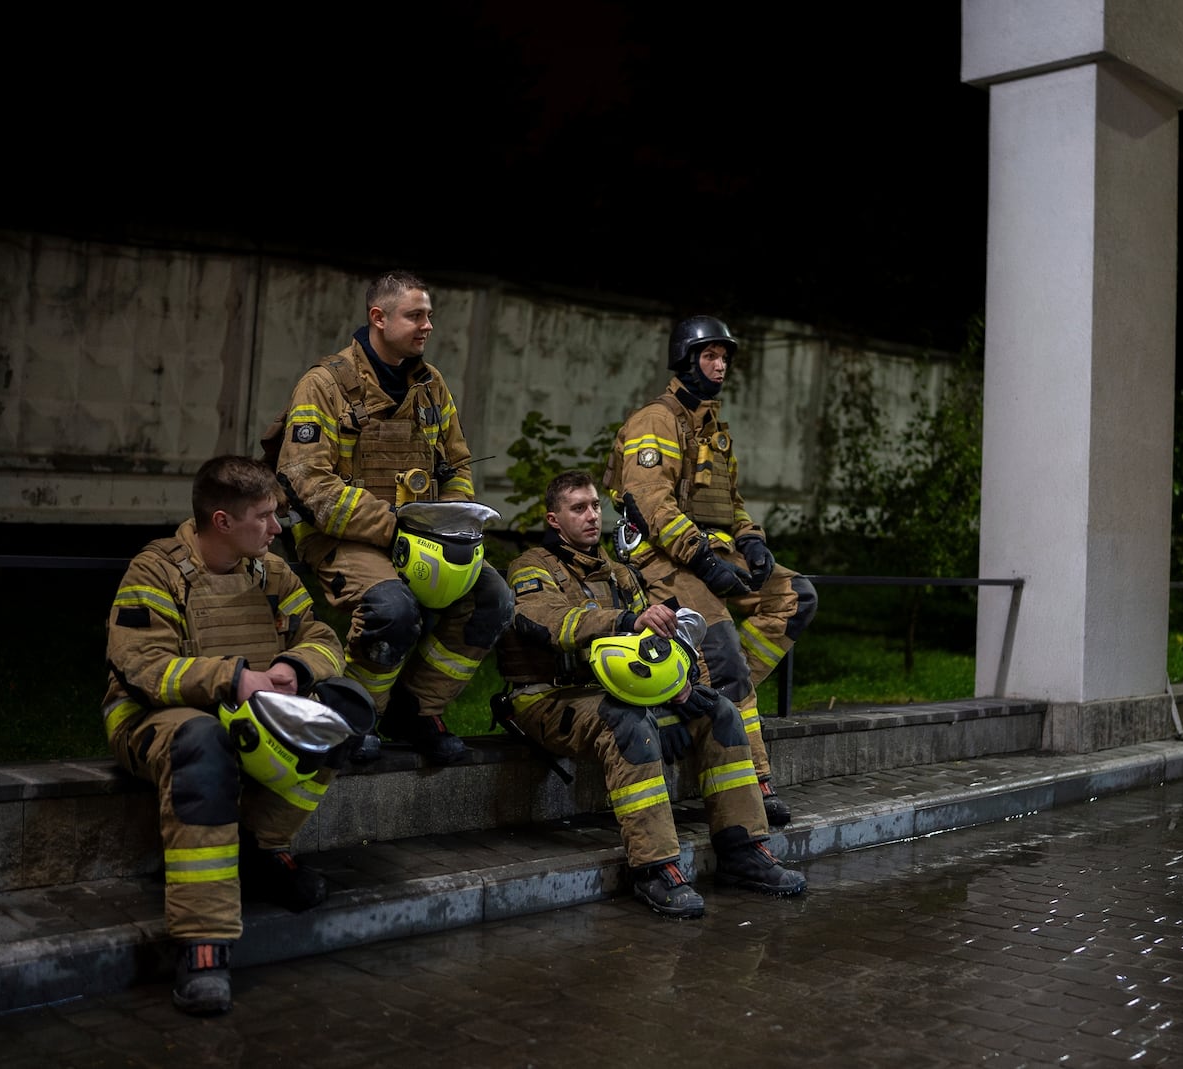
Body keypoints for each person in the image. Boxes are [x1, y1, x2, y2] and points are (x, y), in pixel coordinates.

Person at [102, 455, 373, 1016]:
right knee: (204, 742)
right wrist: (232, 677)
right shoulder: (155, 571)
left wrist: (296, 668)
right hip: (156, 717)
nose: (278, 528)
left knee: (345, 711)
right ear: (222, 521)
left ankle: (259, 852)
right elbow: (143, 667)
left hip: (246, 709)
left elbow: (321, 634)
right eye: (265, 516)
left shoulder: (269, 571)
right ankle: (204, 944)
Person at [495, 470, 806, 917]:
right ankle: (655, 869)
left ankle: (744, 849)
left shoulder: (621, 574)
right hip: (548, 699)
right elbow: (544, 619)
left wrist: (682, 690)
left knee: (718, 710)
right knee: (627, 722)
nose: (590, 515)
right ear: (554, 519)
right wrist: (621, 623)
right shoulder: (532, 567)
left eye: (595, 506)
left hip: (619, 691)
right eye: (577, 508)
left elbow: (665, 642)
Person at [274, 270, 514, 765]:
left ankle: (416, 711)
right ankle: (352, 715)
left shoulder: (431, 385)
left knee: (492, 598)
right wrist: (394, 528)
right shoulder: (323, 386)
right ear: (378, 318)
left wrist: (456, 527)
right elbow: (309, 485)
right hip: (340, 536)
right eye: (416, 315)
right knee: (393, 608)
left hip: (424, 536)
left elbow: (457, 464)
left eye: (430, 315)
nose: (428, 326)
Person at [604, 314, 818, 826]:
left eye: (724, 357)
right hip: (663, 558)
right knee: (724, 657)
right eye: (709, 356)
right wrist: (704, 560)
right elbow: (651, 506)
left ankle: (707, 684)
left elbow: (730, 501)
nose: (720, 365)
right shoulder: (655, 421)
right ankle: (752, 781)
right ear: (685, 359)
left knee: (796, 595)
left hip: (713, 553)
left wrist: (752, 540)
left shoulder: (712, 425)